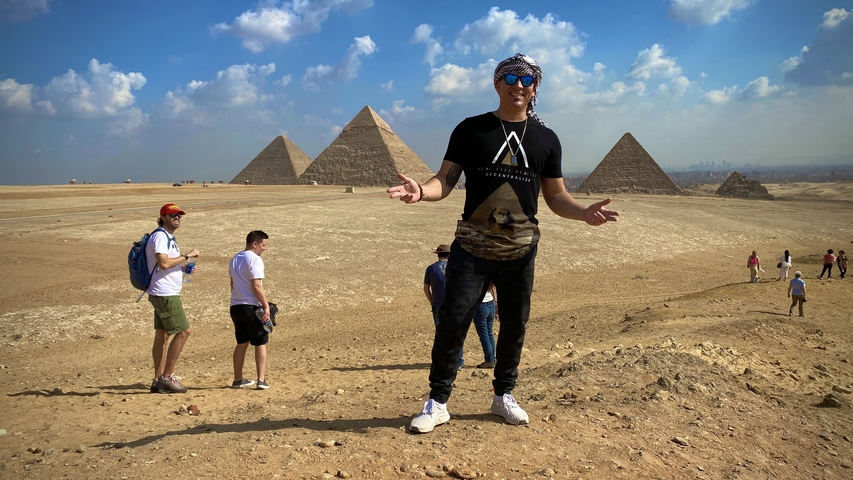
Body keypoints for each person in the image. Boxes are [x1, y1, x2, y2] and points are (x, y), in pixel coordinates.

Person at [388, 53, 619, 433]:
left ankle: (503, 395)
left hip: (520, 250)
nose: (518, 86)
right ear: (497, 84)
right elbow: (444, 180)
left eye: (526, 80)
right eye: (510, 78)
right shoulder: (471, 129)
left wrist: (584, 213)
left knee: (515, 324)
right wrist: (421, 193)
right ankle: (438, 402)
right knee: (452, 322)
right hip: (472, 247)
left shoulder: (546, 139)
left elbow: (556, 196)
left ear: (535, 89)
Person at [146, 203, 200, 394]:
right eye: (172, 215)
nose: (177, 218)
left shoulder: (168, 237)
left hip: (161, 291)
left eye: (179, 215)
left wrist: (184, 268)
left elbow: (168, 264)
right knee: (184, 332)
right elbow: (163, 263)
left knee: (163, 335)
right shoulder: (161, 236)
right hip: (165, 293)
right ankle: (167, 377)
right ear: (163, 217)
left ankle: (157, 379)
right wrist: (187, 256)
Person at [229, 230, 272, 390]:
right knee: (260, 342)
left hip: (236, 306)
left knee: (241, 343)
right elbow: (256, 285)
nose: (264, 248)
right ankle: (261, 379)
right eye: (263, 245)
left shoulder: (234, 259)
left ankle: (238, 379)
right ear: (254, 244)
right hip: (251, 307)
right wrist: (266, 306)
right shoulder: (255, 260)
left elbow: (232, 285)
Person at [424, 245, 464, 370]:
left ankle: (442, 360)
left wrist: (432, 301)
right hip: (454, 305)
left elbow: (426, 289)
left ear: (438, 255)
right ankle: (458, 361)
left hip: (438, 305)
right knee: (456, 333)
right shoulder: (456, 267)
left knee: (440, 333)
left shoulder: (431, 269)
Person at [473, 283, 497, 369]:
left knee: (484, 335)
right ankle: (493, 359)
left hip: (481, 306)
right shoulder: (488, 278)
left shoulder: (476, 279)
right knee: (489, 333)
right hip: (490, 304)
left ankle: (489, 360)